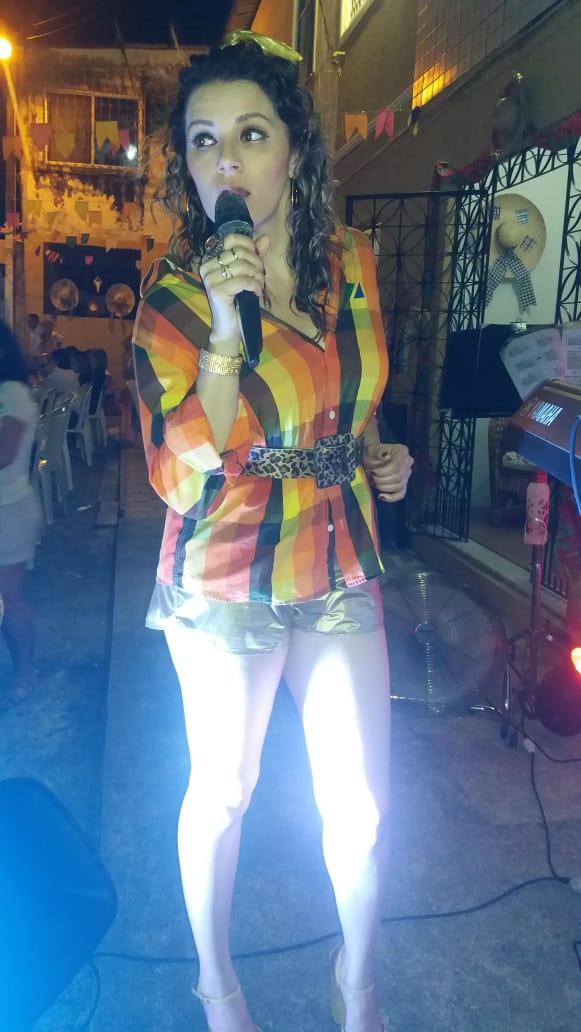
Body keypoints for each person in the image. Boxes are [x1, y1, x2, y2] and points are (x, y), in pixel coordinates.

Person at [132, 33, 413, 1032]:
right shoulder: (172, 299)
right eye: (203, 140)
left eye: (250, 134)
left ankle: (357, 982)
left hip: (336, 556)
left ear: (293, 148)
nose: (226, 161)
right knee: (224, 791)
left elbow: (353, 398)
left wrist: (377, 452)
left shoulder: (352, 264)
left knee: (360, 808)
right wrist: (223, 330)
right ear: (188, 163)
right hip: (224, 569)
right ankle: (217, 986)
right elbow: (177, 474)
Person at [0, 320, 43, 707]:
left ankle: (25, 672)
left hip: (9, 508)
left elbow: (4, 453)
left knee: (9, 597)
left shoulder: (11, 392)